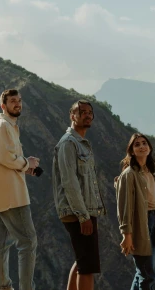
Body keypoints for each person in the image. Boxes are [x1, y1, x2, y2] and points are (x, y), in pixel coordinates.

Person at [0, 89, 40, 290]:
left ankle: (4, 286)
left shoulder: (9, 127)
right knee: (28, 241)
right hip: (12, 196)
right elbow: (7, 158)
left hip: (3, 194)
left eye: (19, 101)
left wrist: (26, 167)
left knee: (2, 243)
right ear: (3, 106)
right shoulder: (2, 127)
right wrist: (27, 162)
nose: (17, 104)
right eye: (12, 101)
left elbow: (6, 160)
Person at [52, 100, 106, 290]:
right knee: (87, 267)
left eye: (90, 112)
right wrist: (83, 216)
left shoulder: (81, 144)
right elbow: (70, 182)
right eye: (82, 112)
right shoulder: (69, 143)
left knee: (82, 261)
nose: (87, 115)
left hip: (84, 210)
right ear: (72, 115)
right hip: (78, 212)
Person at [116, 133, 155, 290]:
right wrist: (127, 235)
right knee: (147, 274)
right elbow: (123, 208)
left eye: (144, 143)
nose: (142, 146)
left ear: (149, 148)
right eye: (137, 144)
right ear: (131, 151)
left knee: (142, 272)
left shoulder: (151, 173)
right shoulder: (129, 174)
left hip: (153, 222)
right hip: (139, 226)